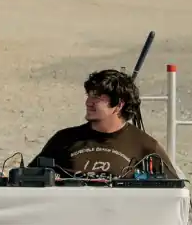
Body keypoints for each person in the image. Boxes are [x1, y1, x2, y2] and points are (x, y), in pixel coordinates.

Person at [33, 68, 177, 179]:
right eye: (89, 96)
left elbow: (175, 193)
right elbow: (27, 181)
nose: (88, 102)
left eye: (97, 98)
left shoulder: (146, 147)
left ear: (119, 105)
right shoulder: (64, 140)